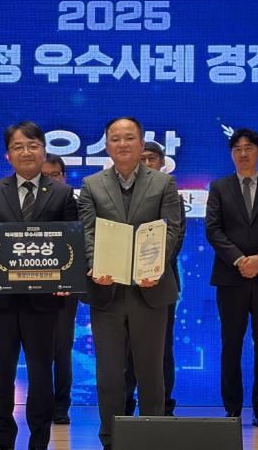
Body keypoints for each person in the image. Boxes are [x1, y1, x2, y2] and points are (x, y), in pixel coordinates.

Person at [0, 122, 77, 450]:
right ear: (8, 155)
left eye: (32, 145)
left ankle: (39, 441)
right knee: (1, 374)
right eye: (18, 147)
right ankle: (3, 441)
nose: (26, 152)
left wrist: (67, 275)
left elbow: (72, 238)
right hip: (1, 300)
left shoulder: (61, 193)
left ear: (43, 150)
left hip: (44, 301)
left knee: (41, 373)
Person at [78, 117, 181, 449]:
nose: (122, 144)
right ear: (107, 145)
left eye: (129, 138)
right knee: (109, 374)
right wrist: (94, 264)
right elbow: (87, 232)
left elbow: (172, 229)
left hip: (150, 289)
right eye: (115, 139)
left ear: (141, 143)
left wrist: (157, 266)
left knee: (151, 373)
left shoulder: (164, 184)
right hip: (106, 290)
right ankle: (110, 439)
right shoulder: (92, 185)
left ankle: (152, 438)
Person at [205, 128, 258, 428]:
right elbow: (213, 229)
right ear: (231, 154)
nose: (243, 154)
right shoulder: (220, 187)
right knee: (231, 344)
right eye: (237, 149)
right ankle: (232, 409)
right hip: (231, 277)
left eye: (249, 148)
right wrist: (240, 260)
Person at [124, 141, 186, 416]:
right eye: (143, 158)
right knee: (126, 351)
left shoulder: (171, 194)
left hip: (160, 282)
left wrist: (151, 269)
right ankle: (125, 405)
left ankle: (163, 407)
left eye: (152, 158)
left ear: (162, 164)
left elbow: (175, 237)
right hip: (123, 281)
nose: (147, 163)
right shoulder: (123, 194)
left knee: (161, 349)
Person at [42, 154, 79, 425]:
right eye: (46, 176)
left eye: (55, 175)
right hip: (32, 284)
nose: (51, 180)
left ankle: (61, 406)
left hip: (65, 286)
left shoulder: (74, 204)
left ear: (64, 177)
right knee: (37, 349)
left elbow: (79, 244)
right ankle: (40, 402)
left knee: (62, 349)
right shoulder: (29, 206)